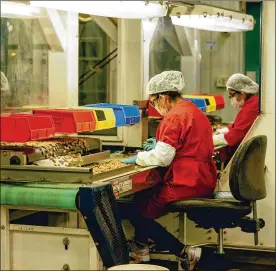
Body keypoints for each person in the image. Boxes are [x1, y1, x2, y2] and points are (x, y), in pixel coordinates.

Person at [120, 71, 217, 270]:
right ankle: (142, 250)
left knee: (137, 209)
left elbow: (162, 158)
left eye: (154, 102)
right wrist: (159, 144)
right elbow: (187, 144)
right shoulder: (193, 110)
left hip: (185, 182)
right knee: (142, 196)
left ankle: (184, 251)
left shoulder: (174, 117)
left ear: (163, 97)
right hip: (203, 178)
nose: (154, 107)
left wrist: (138, 158)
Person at [213, 73, 259, 162]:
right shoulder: (251, 104)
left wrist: (211, 140)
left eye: (232, 95)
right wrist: (221, 131)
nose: (231, 99)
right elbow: (237, 125)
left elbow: (236, 135)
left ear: (243, 93)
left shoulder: (252, 107)